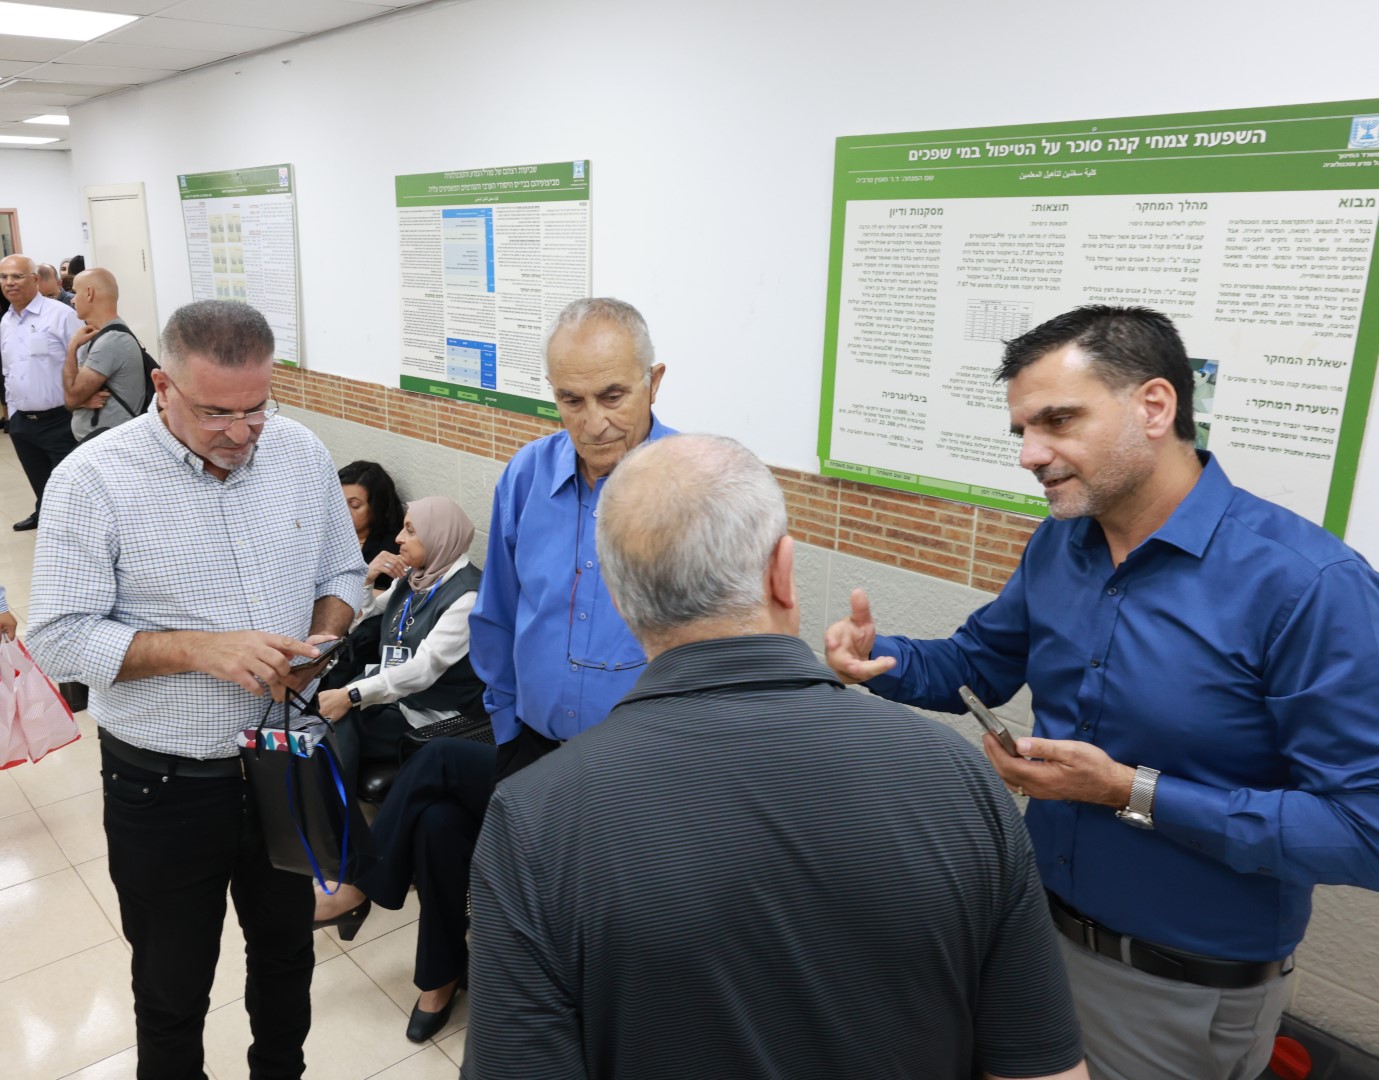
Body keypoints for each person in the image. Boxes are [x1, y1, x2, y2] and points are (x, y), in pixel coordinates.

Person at [823, 305, 1379, 1080]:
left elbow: (1363, 830)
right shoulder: (1060, 540)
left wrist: (1127, 790)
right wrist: (879, 658)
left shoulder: (1307, 585)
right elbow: (978, 664)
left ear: (1154, 406)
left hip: (1173, 992)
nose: (1029, 454)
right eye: (1021, 429)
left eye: (1057, 421)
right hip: (1029, 930)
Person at [462, 434, 1088, 1080]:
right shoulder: (960, 779)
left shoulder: (533, 819)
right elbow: (1040, 1067)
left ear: (620, 601)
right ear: (783, 572)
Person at [26, 299, 366, 1079]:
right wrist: (200, 650)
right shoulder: (94, 480)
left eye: (256, 407)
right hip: (165, 789)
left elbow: (342, 572)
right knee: (172, 989)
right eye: (217, 412)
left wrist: (320, 638)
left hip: (282, 768)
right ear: (162, 386)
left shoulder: (299, 452)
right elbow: (59, 637)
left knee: (287, 960)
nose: (242, 434)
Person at [469, 297, 671, 782]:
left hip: (647, 771)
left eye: (613, 396)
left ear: (654, 383)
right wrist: (507, 730)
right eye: (571, 401)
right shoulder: (526, 475)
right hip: (531, 752)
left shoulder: (697, 487)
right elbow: (497, 613)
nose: (593, 424)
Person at [313, 736, 496, 1043]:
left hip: (572, 780)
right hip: (530, 754)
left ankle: (356, 887)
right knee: (437, 822)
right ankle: (443, 975)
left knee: (439, 755)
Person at [317, 496, 486, 794]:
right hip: (396, 699)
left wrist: (352, 694)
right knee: (329, 718)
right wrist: (367, 578)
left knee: (336, 723)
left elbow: (423, 669)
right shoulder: (417, 576)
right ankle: (326, 805)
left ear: (438, 536)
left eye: (410, 530)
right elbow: (364, 614)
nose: (398, 539)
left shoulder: (466, 597)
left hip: (431, 712)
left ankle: (335, 813)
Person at [0, 254, 80, 530]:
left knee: (69, 485)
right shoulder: (6, 321)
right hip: (23, 421)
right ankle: (44, 515)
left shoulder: (61, 315)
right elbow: (9, 370)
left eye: (17, 276)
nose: (9, 282)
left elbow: (83, 360)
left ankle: (73, 530)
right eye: (4, 277)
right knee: (39, 481)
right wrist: (13, 414)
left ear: (34, 279)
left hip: (61, 419)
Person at [63, 267, 147, 440]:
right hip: (99, 442)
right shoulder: (96, 334)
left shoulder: (112, 341)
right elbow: (74, 395)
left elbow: (71, 398)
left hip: (113, 445)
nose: (72, 300)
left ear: (89, 293)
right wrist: (81, 400)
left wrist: (72, 347)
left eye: (75, 293)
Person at [338, 459, 406, 592]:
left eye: (355, 505)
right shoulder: (325, 533)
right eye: (339, 502)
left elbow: (394, 597)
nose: (343, 511)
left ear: (377, 507)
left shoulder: (394, 546)